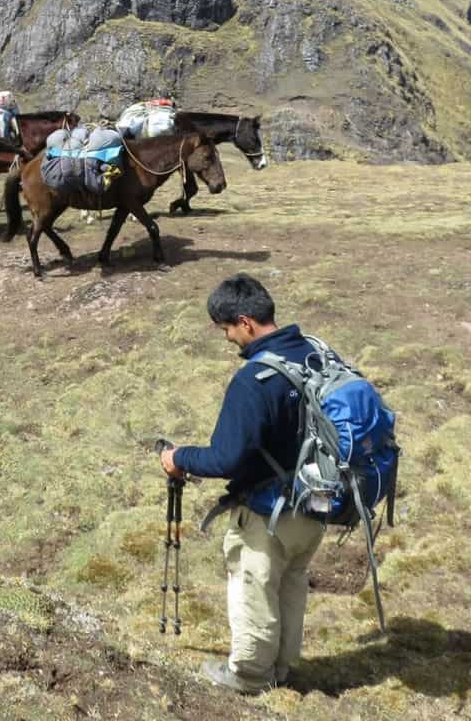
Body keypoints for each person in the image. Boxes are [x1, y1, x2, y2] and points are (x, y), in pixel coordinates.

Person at [160, 273, 326, 695]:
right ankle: (283, 669)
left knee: (254, 585)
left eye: (228, 329)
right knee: (290, 585)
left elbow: (226, 458)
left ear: (246, 322)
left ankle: (250, 676)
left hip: (269, 513)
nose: (228, 339)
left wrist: (178, 458)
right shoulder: (311, 352)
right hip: (317, 500)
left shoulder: (253, 381)